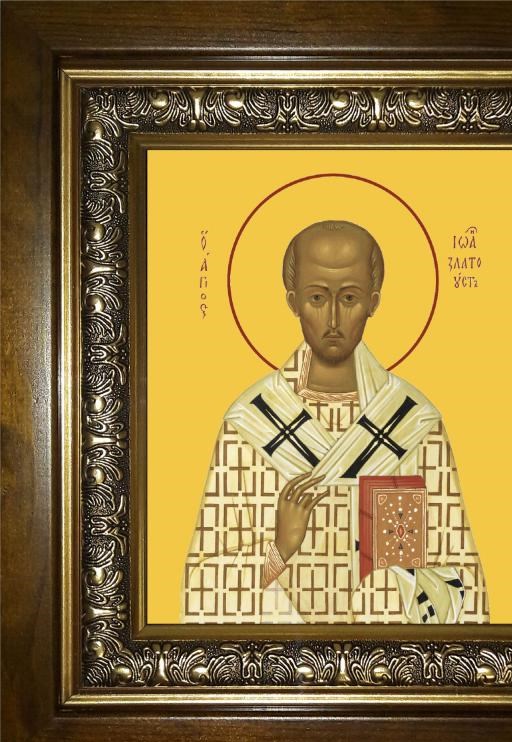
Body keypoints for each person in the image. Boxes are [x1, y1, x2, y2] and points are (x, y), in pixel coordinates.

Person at [181, 220, 489, 624]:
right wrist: (279, 549)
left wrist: (391, 582)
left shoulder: (413, 423)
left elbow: (466, 587)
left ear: (373, 302)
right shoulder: (249, 423)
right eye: (316, 297)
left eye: (349, 298)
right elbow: (200, 587)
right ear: (292, 301)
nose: (332, 319)